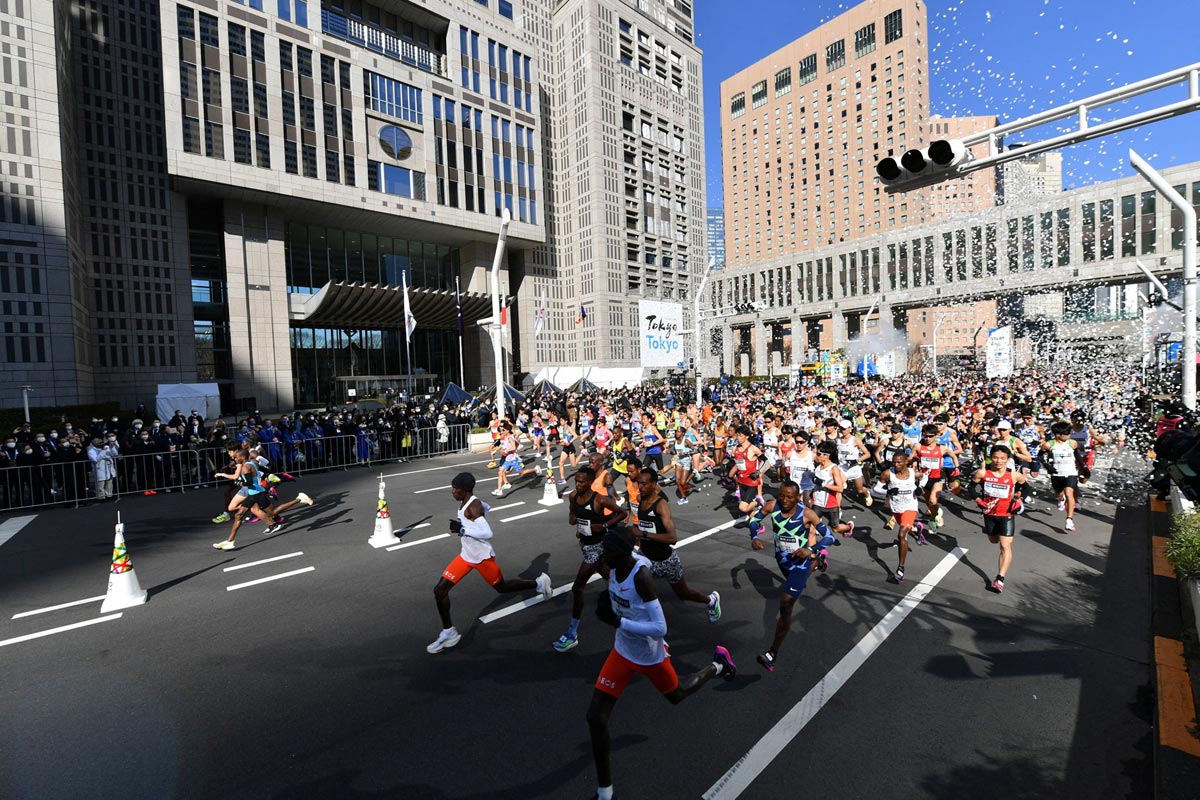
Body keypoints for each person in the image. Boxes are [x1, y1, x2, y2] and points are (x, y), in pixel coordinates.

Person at [586, 525, 736, 800]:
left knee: (677, 694)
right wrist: (606, 605)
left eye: (608, 550)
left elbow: (660, 627)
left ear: (621, 551)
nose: (603, 554)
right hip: (622, 651)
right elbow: (618, 599)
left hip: (649, 655)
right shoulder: (612, 568)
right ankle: (605, 793)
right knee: (595, 717)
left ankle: (717, 666)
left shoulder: (641, 577)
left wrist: (619, 621)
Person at [428, 472, 553, 653]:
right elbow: (487, 507)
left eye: (455, 488)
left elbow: (488, 534)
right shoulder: (469, 503)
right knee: (439, 590)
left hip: (481, 558)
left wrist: (462, 528)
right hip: (466, 556)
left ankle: (540, 582)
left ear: (464, 490)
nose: (452, 491)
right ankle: (449, 632)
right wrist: (468, 525)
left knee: (502, 588)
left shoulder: (473, 506)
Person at [746, 479, 836, 671]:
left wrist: (810, 549)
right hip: (782, 560)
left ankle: (772, 653)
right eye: (782, 495)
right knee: (794, 584)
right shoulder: (772, 506)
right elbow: (753, 521)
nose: (784, 500)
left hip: (800, 564)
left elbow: (830, 537)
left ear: (797, 498)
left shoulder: (807, 514)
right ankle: (818, 561)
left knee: (786, 604)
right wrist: (754, 537)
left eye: (789, 497)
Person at [553, 465, 626, 652]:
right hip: (585, 545)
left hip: (598, 547)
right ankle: (630, 601)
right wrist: (575, 520)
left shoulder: (600, 499)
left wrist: (604, 525)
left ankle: (572, 634)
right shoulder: (572, 496)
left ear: (591, 482)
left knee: (577, 588)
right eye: (576, 481)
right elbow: (572, 514)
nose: (577, 484)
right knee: (610, 578)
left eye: (582, 481)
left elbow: (622, 513)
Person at [632, 468, 721, 622]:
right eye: (638, 483)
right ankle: (647, 622)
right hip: (646, 557)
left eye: (644, 484)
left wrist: (644, 534)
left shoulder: (660, 505)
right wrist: (637, 539)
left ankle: (711, 600)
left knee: (683, 593)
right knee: (638, 589)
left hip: (666, 560)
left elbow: (672, 538)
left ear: (654, 484)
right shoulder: (640, 499)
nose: (640, 487)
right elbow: (645, 525)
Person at [972, 444, 1027, 592]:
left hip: (1007, 515)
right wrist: (978, 500)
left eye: (1002, 458)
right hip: (989, 514)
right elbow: (971, 488)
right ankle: (994, 537)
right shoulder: (983, 473)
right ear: (991, 457)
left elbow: (1026, 487)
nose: (998, 461)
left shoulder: (1013, 475)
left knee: (1005, 545)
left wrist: (1019, 500)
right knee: (993, 540)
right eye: (995, 457)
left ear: (1007, 459)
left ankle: (1000, 579)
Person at [212, 447, 279, 549]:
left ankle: (299, 499)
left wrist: (238, 481)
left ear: (242, 457)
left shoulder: (245, 467)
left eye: (237, 457)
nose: (235, 459)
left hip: (257, 494)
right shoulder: (253, 463)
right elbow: (265, 470)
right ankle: (230, 541)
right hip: (253, 494)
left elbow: (249, 483)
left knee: (273, 512)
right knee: (238, 515)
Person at [878, 450, 927, 583]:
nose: (896, 465)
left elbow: (924, 477)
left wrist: (920, 488)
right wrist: (887, 491)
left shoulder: (913, 473)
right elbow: (876, 488)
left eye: (899, 462)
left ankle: (900, 568)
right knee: (905, 527)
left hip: (910, 507)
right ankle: (917, 528)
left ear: (906, 462)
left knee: (901, 535)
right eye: (894, 462)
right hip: (896, 508)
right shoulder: (888, 473)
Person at [1042, 421, 1080, 532]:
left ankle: (1069, 519)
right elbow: (1040, 456)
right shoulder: (1049, 444)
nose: (1069, 435)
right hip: (1057, 474)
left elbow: (1076, 454)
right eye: (1067, 433)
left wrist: (1084, 467)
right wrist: (1047, 466)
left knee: (1069, 492)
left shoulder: (1072, 443)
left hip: (1071, 472)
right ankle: (1060, 498)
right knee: (1059, 493)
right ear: (1058, 435)